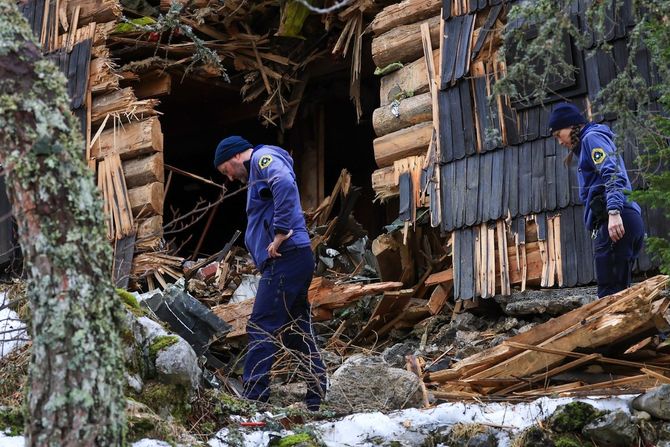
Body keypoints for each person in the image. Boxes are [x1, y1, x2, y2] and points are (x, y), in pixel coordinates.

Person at [213, 135, 327, 410]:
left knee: (261, 325)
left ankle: (254, 400)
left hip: (286, 258)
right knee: (294, 329)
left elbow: (284, 183)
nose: (228, 179)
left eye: (225, 171)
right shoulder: (257, 171)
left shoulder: (263, 159)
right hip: (292, 259)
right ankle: (316, 398)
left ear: (235, 156)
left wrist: (279, 233)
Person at [548, 103, 645, 298]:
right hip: (626, 218)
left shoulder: (591, 138)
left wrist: (614, 212)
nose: (559, 142)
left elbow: (612, 173)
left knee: (609, 297)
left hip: (617, 219)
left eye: (559, 134)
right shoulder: (590, 142)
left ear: (573, 126)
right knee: (619, 295)